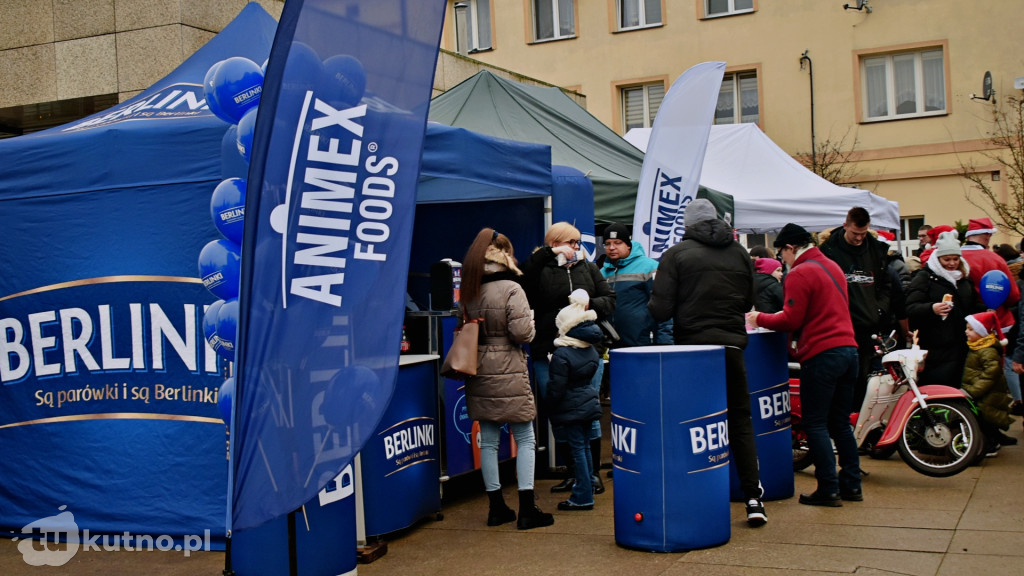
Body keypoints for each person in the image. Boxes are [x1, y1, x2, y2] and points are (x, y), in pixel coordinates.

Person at [648, 198, 767, 527]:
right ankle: (754, 498)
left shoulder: (676, 254)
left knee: (693, 423)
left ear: (687, 225)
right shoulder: (740, 252)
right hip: (731, 346)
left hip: (693, 350)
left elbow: (660, 310)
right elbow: (748, 301)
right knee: (740, 421)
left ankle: (693, 499)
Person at [747, 223, 862, 507]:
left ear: (790, 248)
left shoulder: (800, 272)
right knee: (840, 423)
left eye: (782, 252)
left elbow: (790, 320)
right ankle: (852, 484)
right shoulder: (832, 267)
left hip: (823, 354)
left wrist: (758, 318)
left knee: (815, 424)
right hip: (849, 350)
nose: (782, 260)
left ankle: (828, 489)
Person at [459, 228, 554, 530]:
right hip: (509, 365)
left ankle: (496, 508)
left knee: (488, 441)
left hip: (479, 366)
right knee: (525, 436)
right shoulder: (512, 288)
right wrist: (533, 325)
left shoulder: (470, 289)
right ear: (505, 256)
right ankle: (528, 509)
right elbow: (522, 334)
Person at [522, 221, 615, 495]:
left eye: (577, 242)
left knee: (588, 408)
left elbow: (609, 299)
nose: (576, 247)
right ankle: (574, 473)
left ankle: (592, 473)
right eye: (571, 242)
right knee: (556, 409)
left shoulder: (589, 267)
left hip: (586, 349)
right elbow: (523, 284)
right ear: (555, 243)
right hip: (548, 348)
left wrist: (588, 305)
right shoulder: (539, 267)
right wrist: (546, 256)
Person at [819, 206, 903, 407]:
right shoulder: (829, 251)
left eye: (863, 234)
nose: (859, 239)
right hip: (840, 327)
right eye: (855, 234)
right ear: (845, 225)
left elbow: (886, 285)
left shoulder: (875, 250)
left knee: (862, 381)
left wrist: (878, 309)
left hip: (868, 328)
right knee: (841, 383)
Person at [545, 289, 604, 511]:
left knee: (577, 448)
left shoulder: (562, 354)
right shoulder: (590, 351)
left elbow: (556, 387)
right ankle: (587, 487)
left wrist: (549, 404)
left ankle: (582, 496)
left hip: (570, 406)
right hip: (588, 402)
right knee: (585, 447)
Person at [905, 231, 982, 387]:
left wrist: (986, 310)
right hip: (936, 349)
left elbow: (971, 305)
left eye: (955, 259)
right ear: (937, 258)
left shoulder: (964, 279)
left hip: (962, 346)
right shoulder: (925, 277)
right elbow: (909, 308)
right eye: (947, 259)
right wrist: (931, 308)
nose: (952, 263)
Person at [599, 222, 672, 347]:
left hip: (643, 344)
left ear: (628, 245)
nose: (611, 247)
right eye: (608, 243)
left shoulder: (650, 267)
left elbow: (663, 307)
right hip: (612, 346)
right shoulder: (601, 272)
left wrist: (665, 342)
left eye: (618, 242)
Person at [962, 311, 1017, 455]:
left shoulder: (986, 350)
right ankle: (995, 438)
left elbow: (990, 375)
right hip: (985, 392)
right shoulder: (978, 346)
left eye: (971, 329)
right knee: (988, 418)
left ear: (982, 332)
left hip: (987, 393)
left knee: (985, 418)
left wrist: (973, 390)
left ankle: (991, 445)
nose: (966, 331)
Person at [959, 217, 1020, 335]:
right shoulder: (995, 259)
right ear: (987, 236)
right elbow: (1013, 295)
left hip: (963, 322)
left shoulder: (953, 258)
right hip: (994, 321)